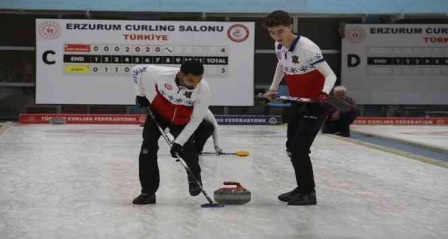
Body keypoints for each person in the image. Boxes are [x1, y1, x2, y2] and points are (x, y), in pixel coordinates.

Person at [263, 10, 337, 206]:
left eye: (280, 31)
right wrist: (273, 88)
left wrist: (323, 94)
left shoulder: (307, 48)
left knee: (300, 149)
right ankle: (301, 188)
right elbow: (281, 64)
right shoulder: (278, 44)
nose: (277, 37)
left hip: (316, 105)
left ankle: (308, 193)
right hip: (297, 102)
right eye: (272, 33)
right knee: (291, 147)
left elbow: (331, 75)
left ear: (290, 27)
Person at [130, 60, 210, 205]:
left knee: (186, 149)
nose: (195, 84)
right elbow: (136, 70)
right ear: (180, 74)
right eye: (191, 80)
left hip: (182, 119)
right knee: (148, 148)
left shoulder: (202, 90)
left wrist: (179, 142)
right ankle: (148, 192)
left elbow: (196, 120)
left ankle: (194, 180)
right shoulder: (161, 74)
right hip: (158, 112)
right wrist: (140, 94)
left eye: (199, 80)